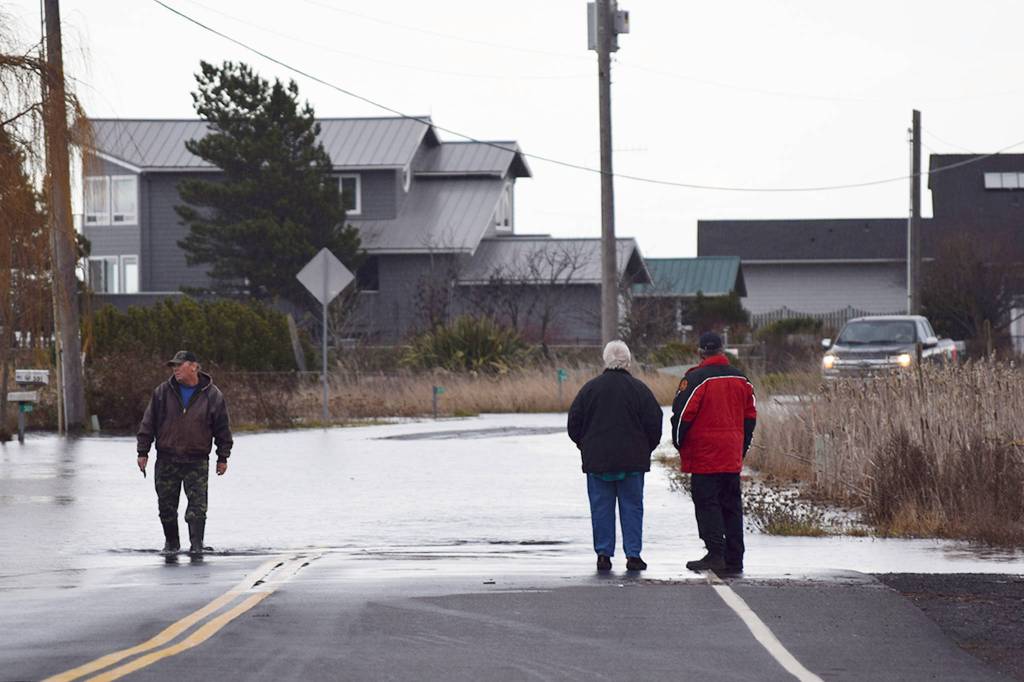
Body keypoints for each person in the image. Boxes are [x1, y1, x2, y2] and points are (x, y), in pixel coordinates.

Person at [568, 340, 663, 572]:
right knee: (632, 506)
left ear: (605, 360)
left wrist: (585, 446)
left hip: (598, 461)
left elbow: (574, 424)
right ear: (628, 361)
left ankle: (603, 554)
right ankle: (633, 555)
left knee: (601, 507)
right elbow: (655, 423)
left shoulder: (589, 390)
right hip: (633, 461)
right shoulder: (640, 390)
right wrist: (645, 448)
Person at [671, 332, 756, 573]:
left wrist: (679, 444)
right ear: (722, 351)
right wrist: (742, 447)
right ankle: (735, 556)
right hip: (731, 455)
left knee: (707, 504)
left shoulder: (695, 378)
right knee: (731, 504)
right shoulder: (742, 379)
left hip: (704, 456)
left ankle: (715, 553)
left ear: (700, 352)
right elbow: (750, 417)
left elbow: (682, 416)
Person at [137, 350, 233, 556]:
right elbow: (148, 423)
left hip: (197, 460)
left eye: (180, 365)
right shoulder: (162, 392)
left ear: (194, 367)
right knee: (166, 507)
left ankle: (197, 545)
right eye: (173, 366)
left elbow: (223, 428)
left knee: (197, 508)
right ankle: (171, 544)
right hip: (166, 459)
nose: (175, 369)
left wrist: (222, 457)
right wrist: (142, 451)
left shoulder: (212, 394)